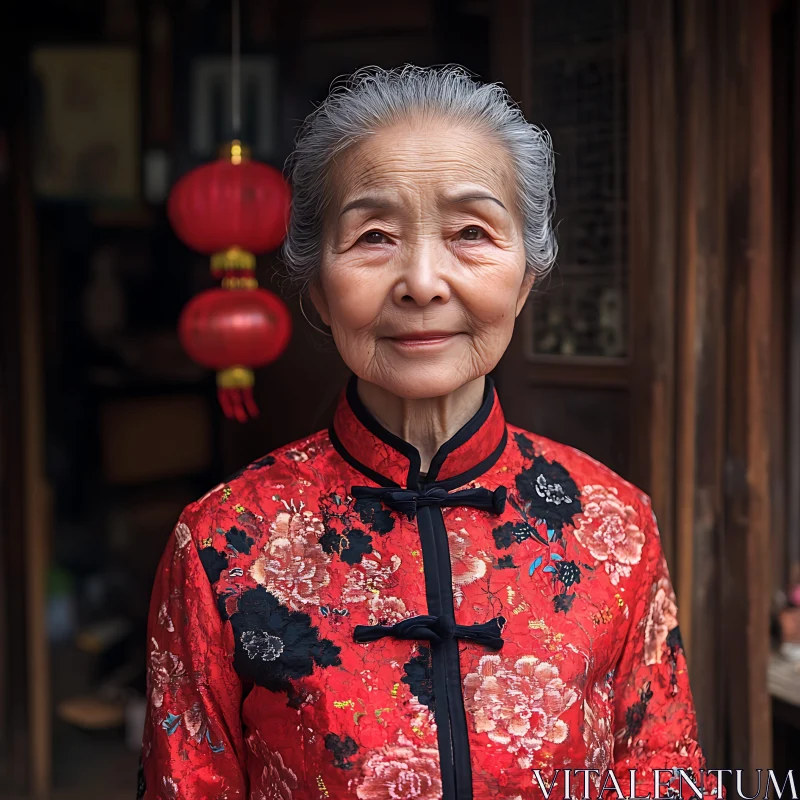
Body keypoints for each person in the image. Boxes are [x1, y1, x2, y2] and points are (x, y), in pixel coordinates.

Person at [138, 65, 719, 800]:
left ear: (526, 275)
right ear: (318, 285)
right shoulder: (221, 543)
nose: (421, 280)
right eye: (374, 235)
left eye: (471, 232)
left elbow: (663, 779)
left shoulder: (615, 525)